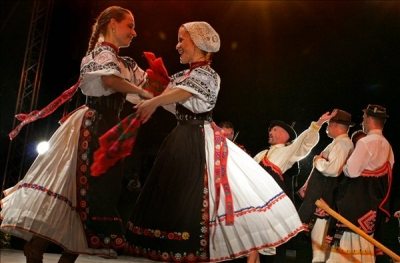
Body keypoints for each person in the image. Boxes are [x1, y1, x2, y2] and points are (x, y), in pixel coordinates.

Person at [124, 21, 304, 263]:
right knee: (171, 203)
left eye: (181, 39)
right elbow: (171, 101)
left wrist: (155, 100)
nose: (177, 45)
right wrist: (142, 89)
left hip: (198, 142)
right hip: (179, 140)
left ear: (198, 42)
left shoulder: (208, 75)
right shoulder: (181, 76)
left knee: (192, 202)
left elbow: (184, 94)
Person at [0, 6, 154, 263]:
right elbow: (109, 81)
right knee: (80, 192)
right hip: (90, 127)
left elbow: (144, 84)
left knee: (89, 200)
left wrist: (167, 90)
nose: (134, 32)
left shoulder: (126, 63)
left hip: (108, 130)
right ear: (112, 25)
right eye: (130, 25)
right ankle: (35, 248)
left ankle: (41, 250)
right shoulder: (98, 55)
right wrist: (146, 94)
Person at [253, 113, 336, 262]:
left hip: (270, 207)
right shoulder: (262, 154)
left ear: (286, 135)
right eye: (270, 130)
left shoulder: (288, 151)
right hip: (254, 204)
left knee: (267, 248)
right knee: (252, 247)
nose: (270, 132)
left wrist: (319, 123)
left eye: (275, 130)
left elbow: (305, 143)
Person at [326, 104, 394, 263]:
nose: (362, 120)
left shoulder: (365, 142)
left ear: (369, 119)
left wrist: (344, 164)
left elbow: (352, 171)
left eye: (364, 118)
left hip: (356, 203)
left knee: (347, 248)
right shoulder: (387, 146)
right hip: (372, 206)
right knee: (364, 248)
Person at [297, 109, 354, 262]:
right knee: (318, 252)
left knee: (319, 254)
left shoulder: (342, 144)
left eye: (329, 124)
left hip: (325, 202)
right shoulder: (339, 143)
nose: (327, 127)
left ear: (335, 125)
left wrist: (317, 160)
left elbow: (333, 170)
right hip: (323, 200)